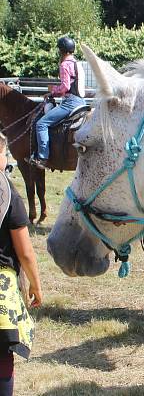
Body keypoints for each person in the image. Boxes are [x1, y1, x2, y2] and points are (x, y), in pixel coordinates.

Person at [0, 131, 42, 395]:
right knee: (2, 356)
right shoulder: (6, 190)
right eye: (4, 153)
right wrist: (36, 284)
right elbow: (25, 251)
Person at [30, 35, 86, 170]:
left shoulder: (64, 65)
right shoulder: (77, 64)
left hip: (70, 103)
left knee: (41, 124)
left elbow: (65, 87)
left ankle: (42, 158)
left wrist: (52, 92)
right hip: (82, 102)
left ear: (61, 51)